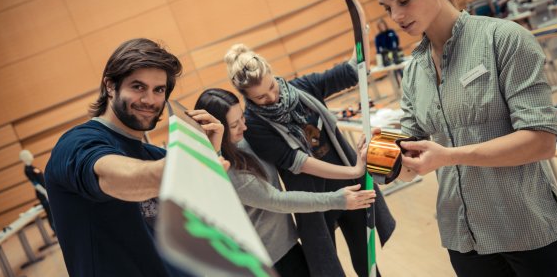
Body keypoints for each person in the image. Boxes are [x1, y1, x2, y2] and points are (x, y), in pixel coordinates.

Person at [374, 0, 557, 277]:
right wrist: (378, 155)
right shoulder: (413, 71)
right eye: (387, 7)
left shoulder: (504, 39)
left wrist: (448, 156)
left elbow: (541, 142)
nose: (396, 17)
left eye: (403, 0)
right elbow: (409, 157)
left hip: (529, 231)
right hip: (463, 240)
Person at [44, 38, 225, 276]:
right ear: (110, 86)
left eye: (158, 90)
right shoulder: (77, 144)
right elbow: (114, 177)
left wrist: (209, 155)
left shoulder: (156, 155)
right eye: (138, 87)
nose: (149, 100)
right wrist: (184, 167)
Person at [224, 42, 395, 277]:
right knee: (327, 269)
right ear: (247, 97)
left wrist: (359, 29)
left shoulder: (301, 88)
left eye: (272, 86)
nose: (272, 97)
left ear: (273, 74)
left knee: (367, 262)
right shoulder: (254, 125)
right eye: (261, 97)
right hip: (314, 201)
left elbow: (351, 70)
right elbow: (300, 162)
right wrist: (354, 170)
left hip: (352, 189)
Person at [194, 88, 376, 276]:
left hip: (285, 245)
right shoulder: (229, 169)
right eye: (234, 125)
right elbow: (277, 201)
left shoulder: (244, 139)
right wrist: (336, 200)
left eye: (242, 117)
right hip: (268, 260)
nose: (244, 126)